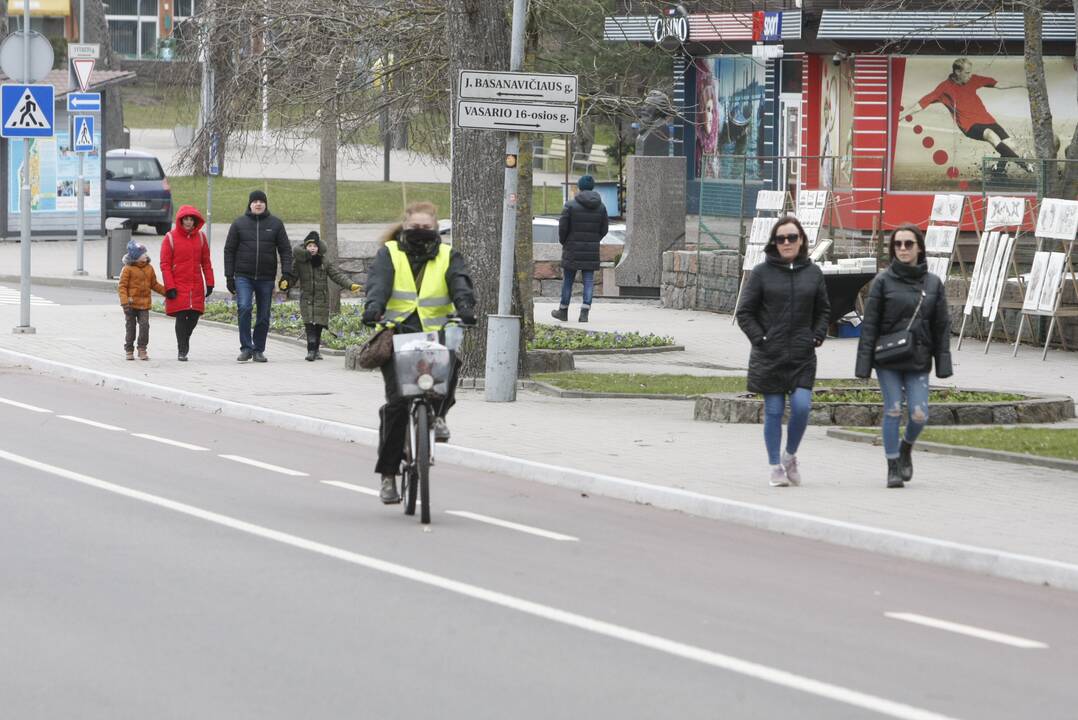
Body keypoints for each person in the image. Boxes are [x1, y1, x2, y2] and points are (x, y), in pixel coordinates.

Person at [362, 201, 476, 504]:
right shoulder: (391, 254)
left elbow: (459, 283)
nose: (421, 233)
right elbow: (379, 283)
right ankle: (389, 476)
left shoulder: (448, 256)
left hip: (435, 333)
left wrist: (465, 307)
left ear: (436, 229)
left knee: (452, 362)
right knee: (398, 404)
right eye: (415, 228)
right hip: (398, 333)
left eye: (427, 229)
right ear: (405, 226)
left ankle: (438, 416)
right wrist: (373, 308)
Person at [855, 225, 953, 489]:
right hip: (887, 359)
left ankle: (906, 448)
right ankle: (892, 466)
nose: (903, 249)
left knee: (920, 414)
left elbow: (941, 326)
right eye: (898, 244)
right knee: (894, 409)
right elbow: (870, 325)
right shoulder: (882, 281)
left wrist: (943, 363)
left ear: (919, 247)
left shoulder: (933, 283)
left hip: (918, 358)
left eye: (908, 244)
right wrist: (863, 366)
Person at [736, 215, 830, 488]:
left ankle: (789, 456)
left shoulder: (813, 273)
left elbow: (823, 309)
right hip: (770, 354)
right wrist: (760, 339)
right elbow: (745, 312)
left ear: (801, 241)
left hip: (802, 354)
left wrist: (817, 335)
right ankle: (774, 466)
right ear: (774, 243)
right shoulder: (762, 273)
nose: (786, 243)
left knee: (802, 406)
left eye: (792, 237)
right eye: (781, 238)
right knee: (774, 411)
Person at [906, 58, 1030, 174]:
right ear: (957, 71)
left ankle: (997, 172)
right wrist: (902, 114)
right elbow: (921, 103)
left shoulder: (972, 79)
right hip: (969, 125)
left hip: (987, 119)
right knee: (991, 135)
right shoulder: (944, 88)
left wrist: (1022, 84)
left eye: (970, 72)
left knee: (1011, 146)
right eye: (967, 73)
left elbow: (998, 84)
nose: (970, 76)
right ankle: (1023, 164)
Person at [224, 190, 293, 363]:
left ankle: (258, 349)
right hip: (243, 276)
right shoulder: (239, 223)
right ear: (250, 204)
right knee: (245, 307)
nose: (258, 204)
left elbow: (285, 250)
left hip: (266, 277)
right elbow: (229, 250)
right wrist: (229, 277)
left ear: (265, 204)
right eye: (254, 201)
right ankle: (246, 348)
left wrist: (286, 273)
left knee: (263, 315)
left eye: (261, 201)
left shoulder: (275, 224)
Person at [290, 231, 361, 361]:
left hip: (321, 298)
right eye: (309, 246)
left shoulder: (324, 261)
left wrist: (350, 285)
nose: (312, 248)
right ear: (305, 247)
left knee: (318, 325)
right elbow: (292, 277)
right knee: (309, 324)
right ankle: (311, 350)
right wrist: (285, 283)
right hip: (306, 298)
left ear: (318, 247)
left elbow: (336, 275)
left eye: (314, 246)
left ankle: (316, 350)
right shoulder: (300, 262)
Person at [160, 205, 214, 362]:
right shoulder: (170, 238)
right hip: (178, 284)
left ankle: (185, 340)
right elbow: (165, 265)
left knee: (195, 315)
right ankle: (182, 349)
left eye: (191, 219)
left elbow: (206, 262)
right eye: (186, 219)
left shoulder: (201, 238)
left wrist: (210, 282)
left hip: (196, 284)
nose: (189, 222)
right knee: (181, 315)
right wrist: (169, 286)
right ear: (180, 220)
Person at [552, 174, 608, 323]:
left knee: (568, 280)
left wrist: (565, 241)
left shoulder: (570, 205)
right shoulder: (601, 207)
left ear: (580, 187)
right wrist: (594, 240)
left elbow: (562, 227)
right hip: (591, 250)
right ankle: (584, 312)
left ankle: (563, 311)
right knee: (588, 281)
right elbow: (604, 229)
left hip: (572, 249)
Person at [118, 240, 165, 361]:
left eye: (145, 253)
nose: (145, 255)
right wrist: (124, 302)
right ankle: (129, 349)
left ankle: (142, 348)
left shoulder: (149, 268)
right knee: (131, 327)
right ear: (136, 256)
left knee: (145, 326)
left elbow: (154, 284)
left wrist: (166, 292)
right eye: (142, 254)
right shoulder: (128, 269)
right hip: (130, 304)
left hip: (144, 305)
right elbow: (122, 286)